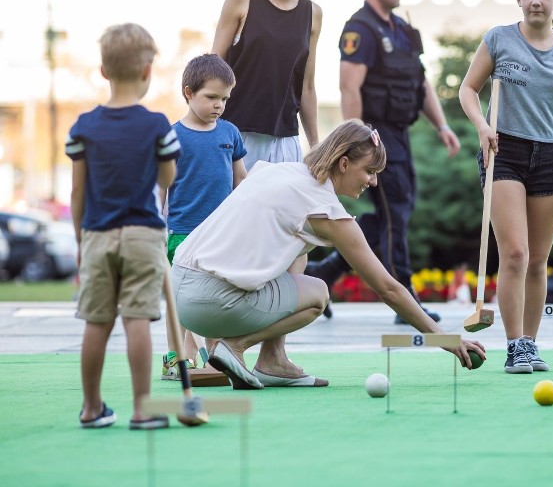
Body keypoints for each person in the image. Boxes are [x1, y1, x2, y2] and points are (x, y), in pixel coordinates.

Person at [171, 120, 485, 390]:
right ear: (344, 164)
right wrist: (445, 339)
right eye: (369, 171)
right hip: (212, 303)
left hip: (181, 298)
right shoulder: (326, 211)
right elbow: (387, 287)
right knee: (317, 293)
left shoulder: (277, 172)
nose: (373, 181)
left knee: (297, 254)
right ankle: (235, 348)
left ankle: (274, 362)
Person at [306, 0, 460, 323]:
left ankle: (324, 272)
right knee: (394, 215)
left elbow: (419, 82)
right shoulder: (361, 29)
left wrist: (442, 125)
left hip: (400, 134)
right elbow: (349, 87)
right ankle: (403, 300)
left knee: (397, 211)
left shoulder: (403, 30)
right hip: (374, 135)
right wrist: (356, 142)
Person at [458, 0, 553, 374]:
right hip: (504, 150)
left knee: (537, 259)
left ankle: (531, 344)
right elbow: (467, 89)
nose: (536, 0)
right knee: (514, 252)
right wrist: (481, 127)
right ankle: (515, 345)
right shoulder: (498, 40)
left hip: (549, 155)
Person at [66, 23, 180, 429]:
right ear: (149, 71)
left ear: (103, 71)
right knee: (137, 319)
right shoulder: (157, 126)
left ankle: (92, 407)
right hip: (143, 234)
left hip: (97, 233)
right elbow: (166, 179)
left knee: (97, 320)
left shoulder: (83, 127)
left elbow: (77, 192)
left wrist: (82, 239)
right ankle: (141, 408)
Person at [161, 54, 248, 381]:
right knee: (181, 303)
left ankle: (216, 359)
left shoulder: (230, 133)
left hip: (222, 234)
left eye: (224, 98)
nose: (219, 105)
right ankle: (174, 359)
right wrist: (158, 225)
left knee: (215, 298)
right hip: (183, 233)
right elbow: (161, 187)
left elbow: (241, 180)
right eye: (211, 97)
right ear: (189, 92)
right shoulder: (172, 137)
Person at [211, 0, 325, 170]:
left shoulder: (313, 14)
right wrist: (203, 130)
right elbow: (213, 67)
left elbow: (306, 85)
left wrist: (316, 148)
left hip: (284, 140)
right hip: (235, 134)